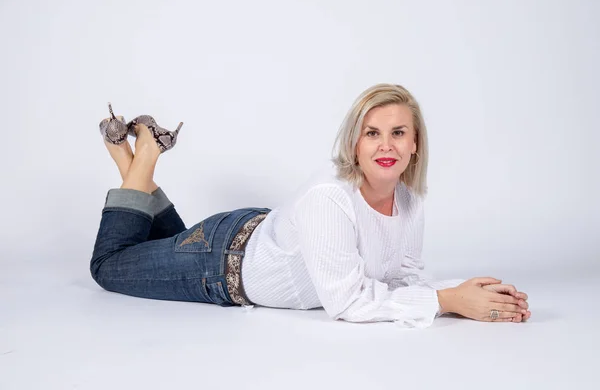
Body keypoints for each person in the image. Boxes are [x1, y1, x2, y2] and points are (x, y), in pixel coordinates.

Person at [91, 83, 531, 328]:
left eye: (398, 133)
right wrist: (447, 300)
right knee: (111, 266)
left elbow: (403, 277)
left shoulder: (408, 199)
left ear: (415, 144)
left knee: (166, 244)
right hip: (221, 263)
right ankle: (140, 155)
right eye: (372, 132)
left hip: (256, 236)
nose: (386, 145)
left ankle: (132, 159)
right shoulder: (330, 195)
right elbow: (347, 303)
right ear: (354, 142)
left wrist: (461, 293)